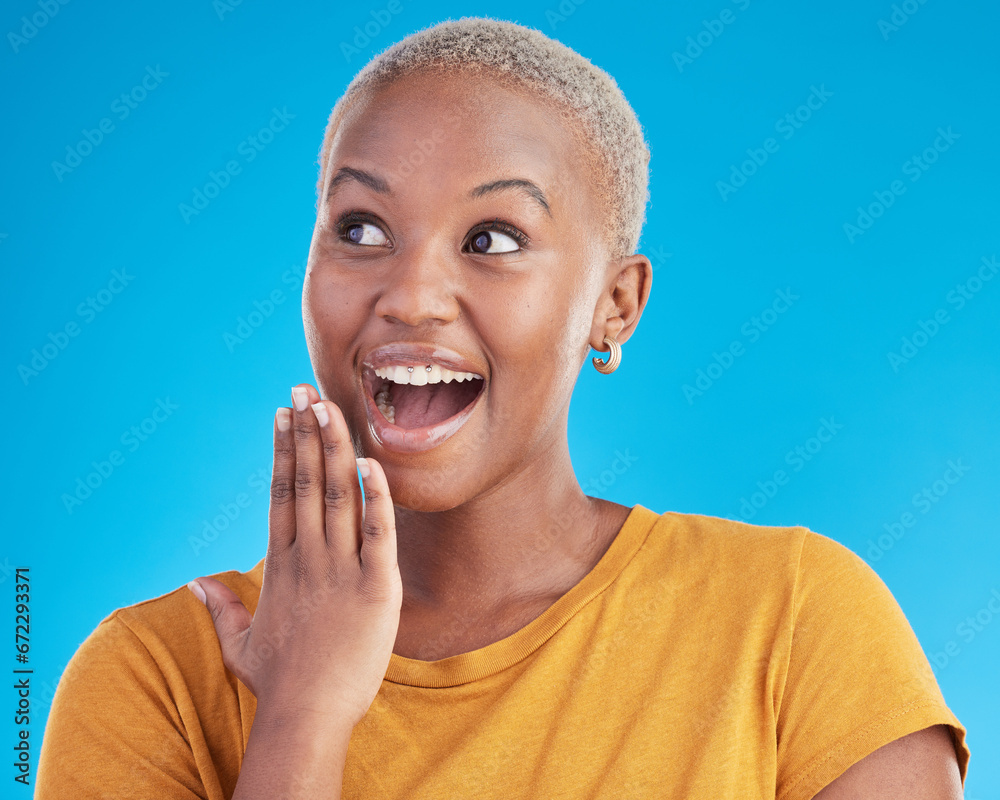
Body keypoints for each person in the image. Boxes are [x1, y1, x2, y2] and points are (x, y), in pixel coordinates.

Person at [36, 16, 970, 800]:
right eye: (360, 228)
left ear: (616, 306)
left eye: (492, 237)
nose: (411, 294)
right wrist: (300, 717)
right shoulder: (154, 676)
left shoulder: (795, 620)